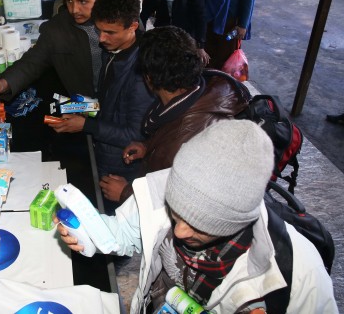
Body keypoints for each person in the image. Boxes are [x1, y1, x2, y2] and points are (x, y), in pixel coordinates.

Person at [60, 120, 338, 313]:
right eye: (175, 213)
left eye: (200, 227)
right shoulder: (165, 188)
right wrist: (92, 235)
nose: (179, 232)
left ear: (235, 223)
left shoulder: (299, 275)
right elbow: (124, 232)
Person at [100, 26, 247, 203]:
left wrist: (126, 193)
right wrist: (149, 147)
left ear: (149, 79)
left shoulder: (180, 143)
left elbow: (176, 204)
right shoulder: (204, 90)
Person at [48, 0, 154, 212]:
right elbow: (108, 104)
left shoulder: (142, 74)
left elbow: (135, 136)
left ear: (133, 26)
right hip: (103, 154)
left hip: (121, 170)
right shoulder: (113, 49)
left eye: (110, 32)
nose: (102, 38)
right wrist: (76, 106)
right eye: (99, 31)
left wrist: (85, 125)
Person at [140, 0, 209, 64]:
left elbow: (201, 16)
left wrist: (200, 45)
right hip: (164, 31)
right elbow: (145, 11)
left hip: (186, 33)